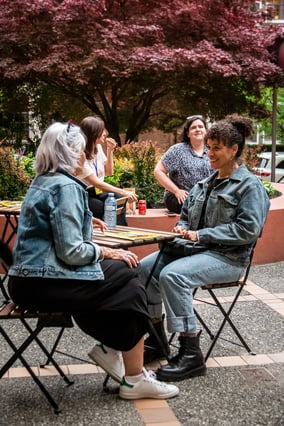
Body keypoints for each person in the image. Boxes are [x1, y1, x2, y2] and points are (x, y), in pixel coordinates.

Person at [7, 122, 179, 400]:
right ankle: (129, 372)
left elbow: (58, 238)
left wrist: (86, 223)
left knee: (121, 280)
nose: (86, 155)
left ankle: (114, 353)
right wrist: (105, 252)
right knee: (127, 276)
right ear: (69, 152)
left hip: (27, 282)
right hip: (42, 284)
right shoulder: (65, 187)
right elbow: (72, 252)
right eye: (80, 150)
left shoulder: (44, 180)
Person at [140, 115, 270, 381]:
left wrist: (199, 235)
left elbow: (247, 231)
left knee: (173, 275)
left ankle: (191, 355)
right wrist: (182, 228)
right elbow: (187, 217)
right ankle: (156, 341)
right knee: (144, 270)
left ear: (234, 150)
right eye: (209, 147)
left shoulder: (250, 186)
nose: (209, 153)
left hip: (229, 258)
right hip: (195, 252)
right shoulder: (203, 185)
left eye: (216, 148)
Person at [78, 116, 138, 225]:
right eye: (102, 130)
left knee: (119, 200)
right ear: (93, 133)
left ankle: (120, 232)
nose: (106, 132)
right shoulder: (80, 154)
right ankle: (104, 233)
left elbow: (109, 172)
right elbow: (95, 182)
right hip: (84, 192)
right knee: (102, 207)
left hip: (98, 190)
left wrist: (110, 151)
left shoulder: (98, 148)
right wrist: (124, 191)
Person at [154, 115, 212, 214]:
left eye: (201, 127)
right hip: (180, 197)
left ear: (206, 131)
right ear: (188, 133)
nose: (198, 129)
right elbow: (158, 171)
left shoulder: (212, 150)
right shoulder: (177, 150)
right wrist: (177, 191)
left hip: (205, 197)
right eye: (193, 128)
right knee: (199, 206)